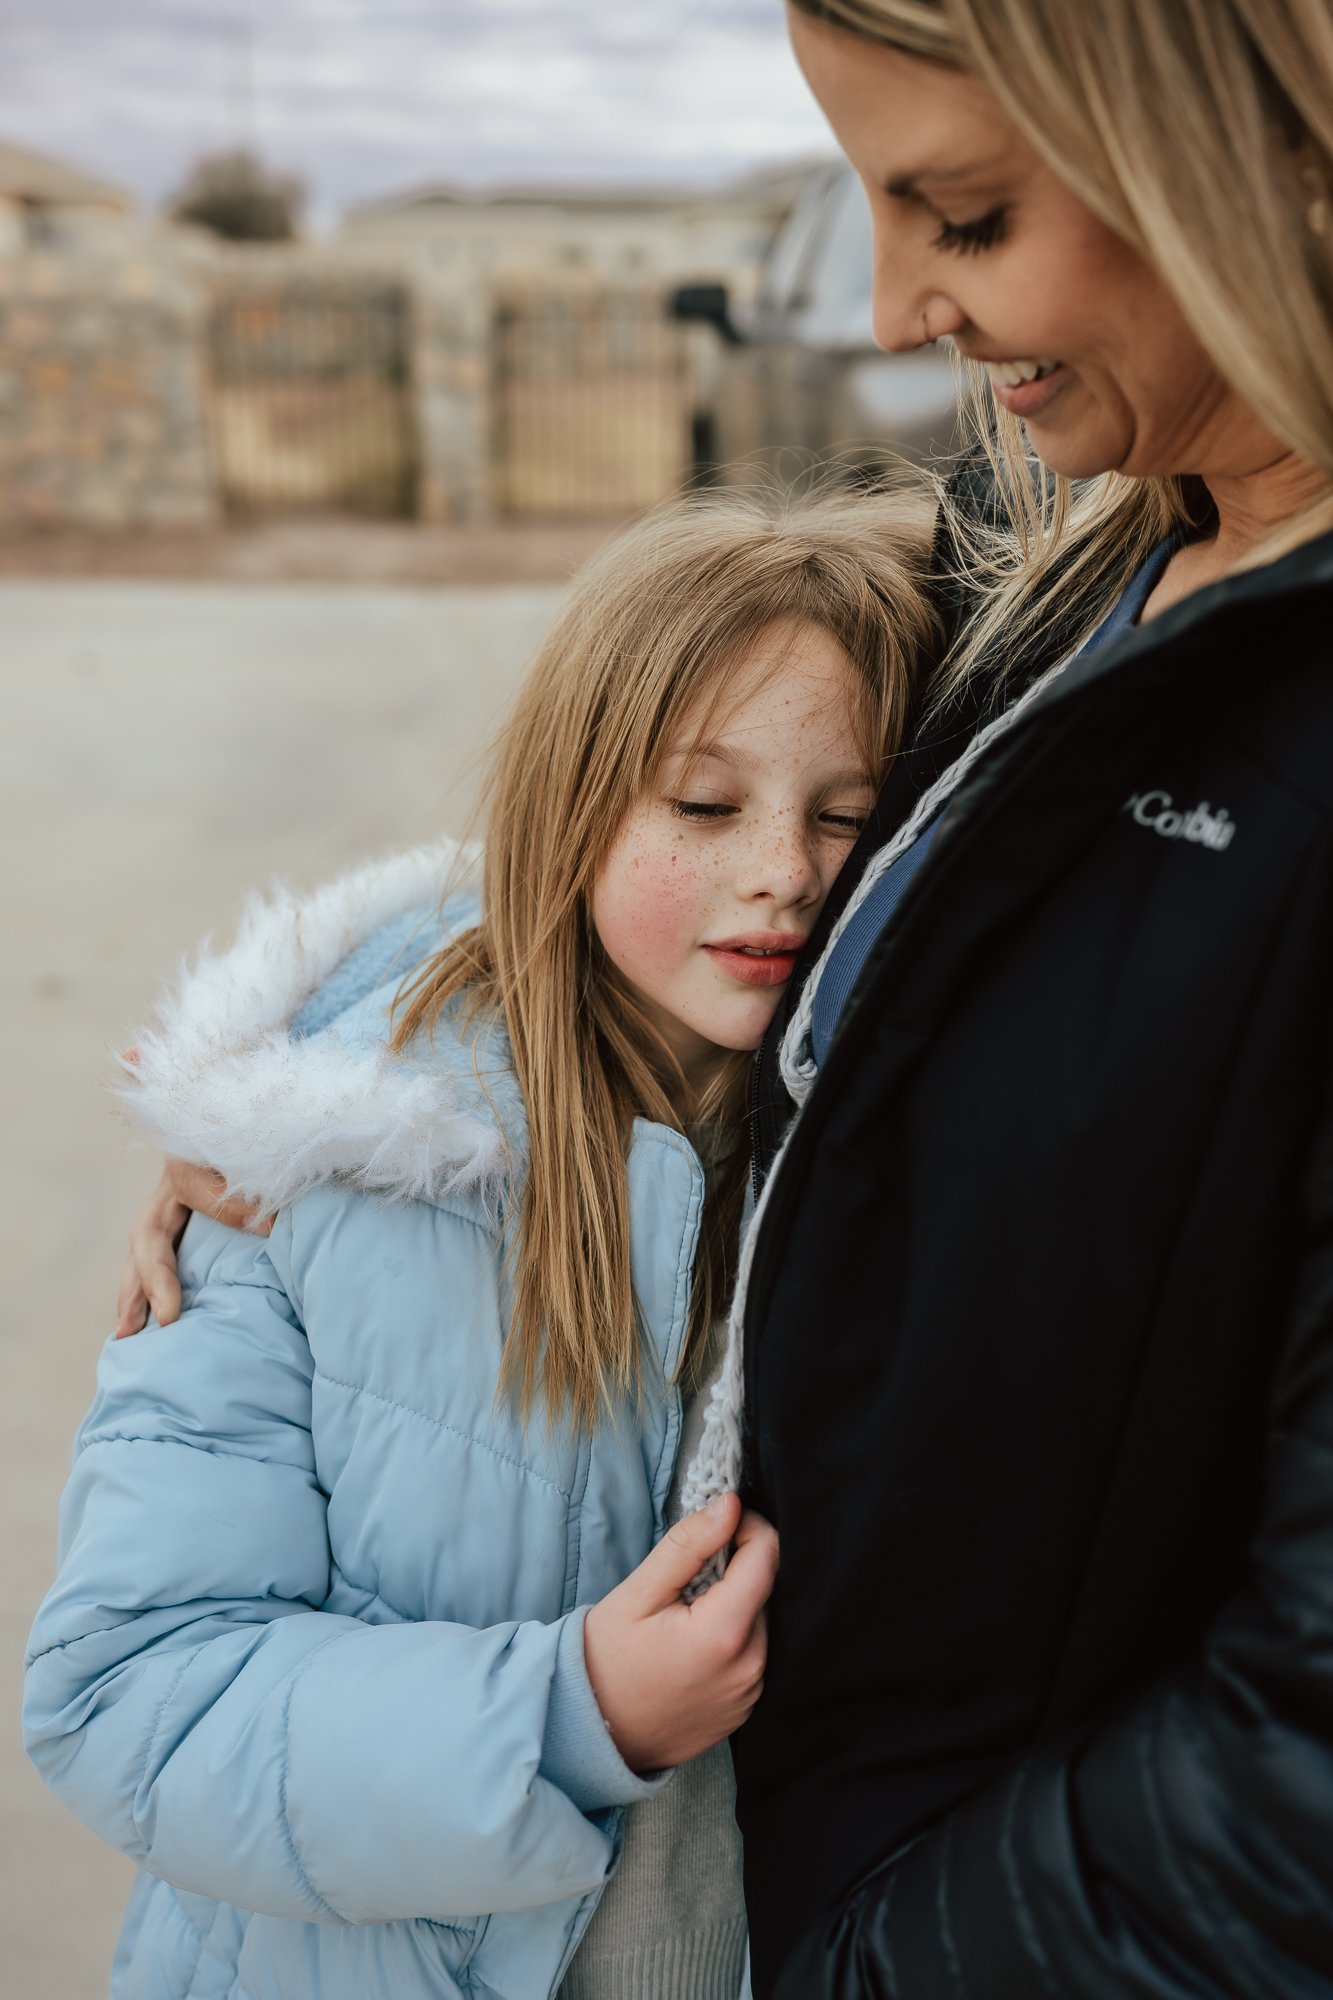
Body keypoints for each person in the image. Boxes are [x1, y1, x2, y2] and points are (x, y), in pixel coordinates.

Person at [22, 488, 939, 2000]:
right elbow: (129, 1696)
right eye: (703, 807)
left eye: (844, 816)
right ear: (571, 802)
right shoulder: (311, 1172)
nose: (783, 867)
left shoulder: (915, 1155)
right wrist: (567, 1717)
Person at [686, 2, 1333, 1995]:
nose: (894, 313)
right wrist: (360, 1093)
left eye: (959, 217)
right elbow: (704, 871)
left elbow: (1299, 1775)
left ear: (1252, 153)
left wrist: (870, 1958)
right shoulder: (1097, 558)